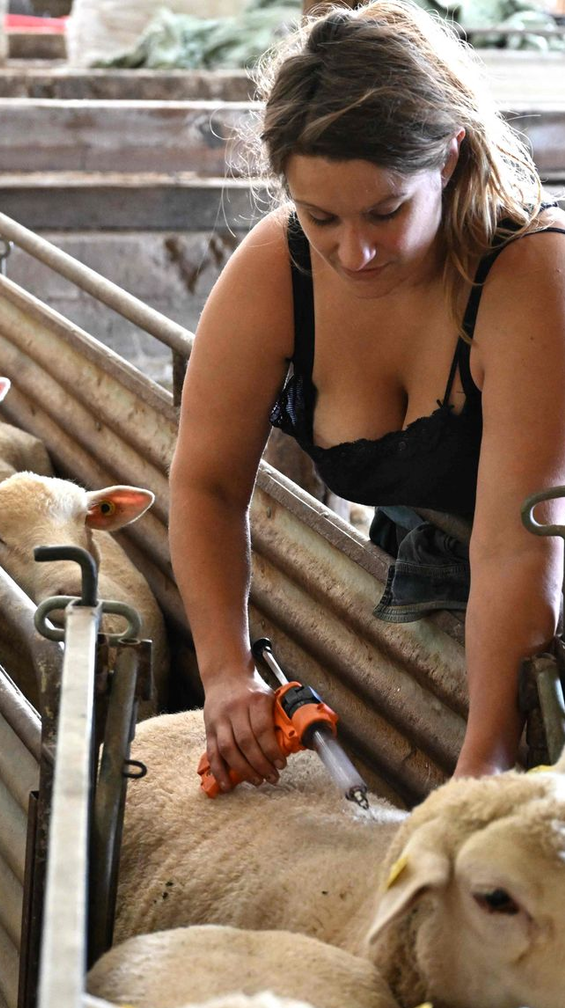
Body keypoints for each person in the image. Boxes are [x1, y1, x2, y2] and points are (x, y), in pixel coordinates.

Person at [169, 0, 565, 788]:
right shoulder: (276, 271)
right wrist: (224, 673)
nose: (355, 252)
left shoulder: (530, 281)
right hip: (421, 566)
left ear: (449, 158)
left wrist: (486, 755)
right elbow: (207, 482)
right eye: (321, 217)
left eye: (388, 212)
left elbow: (519, 545)